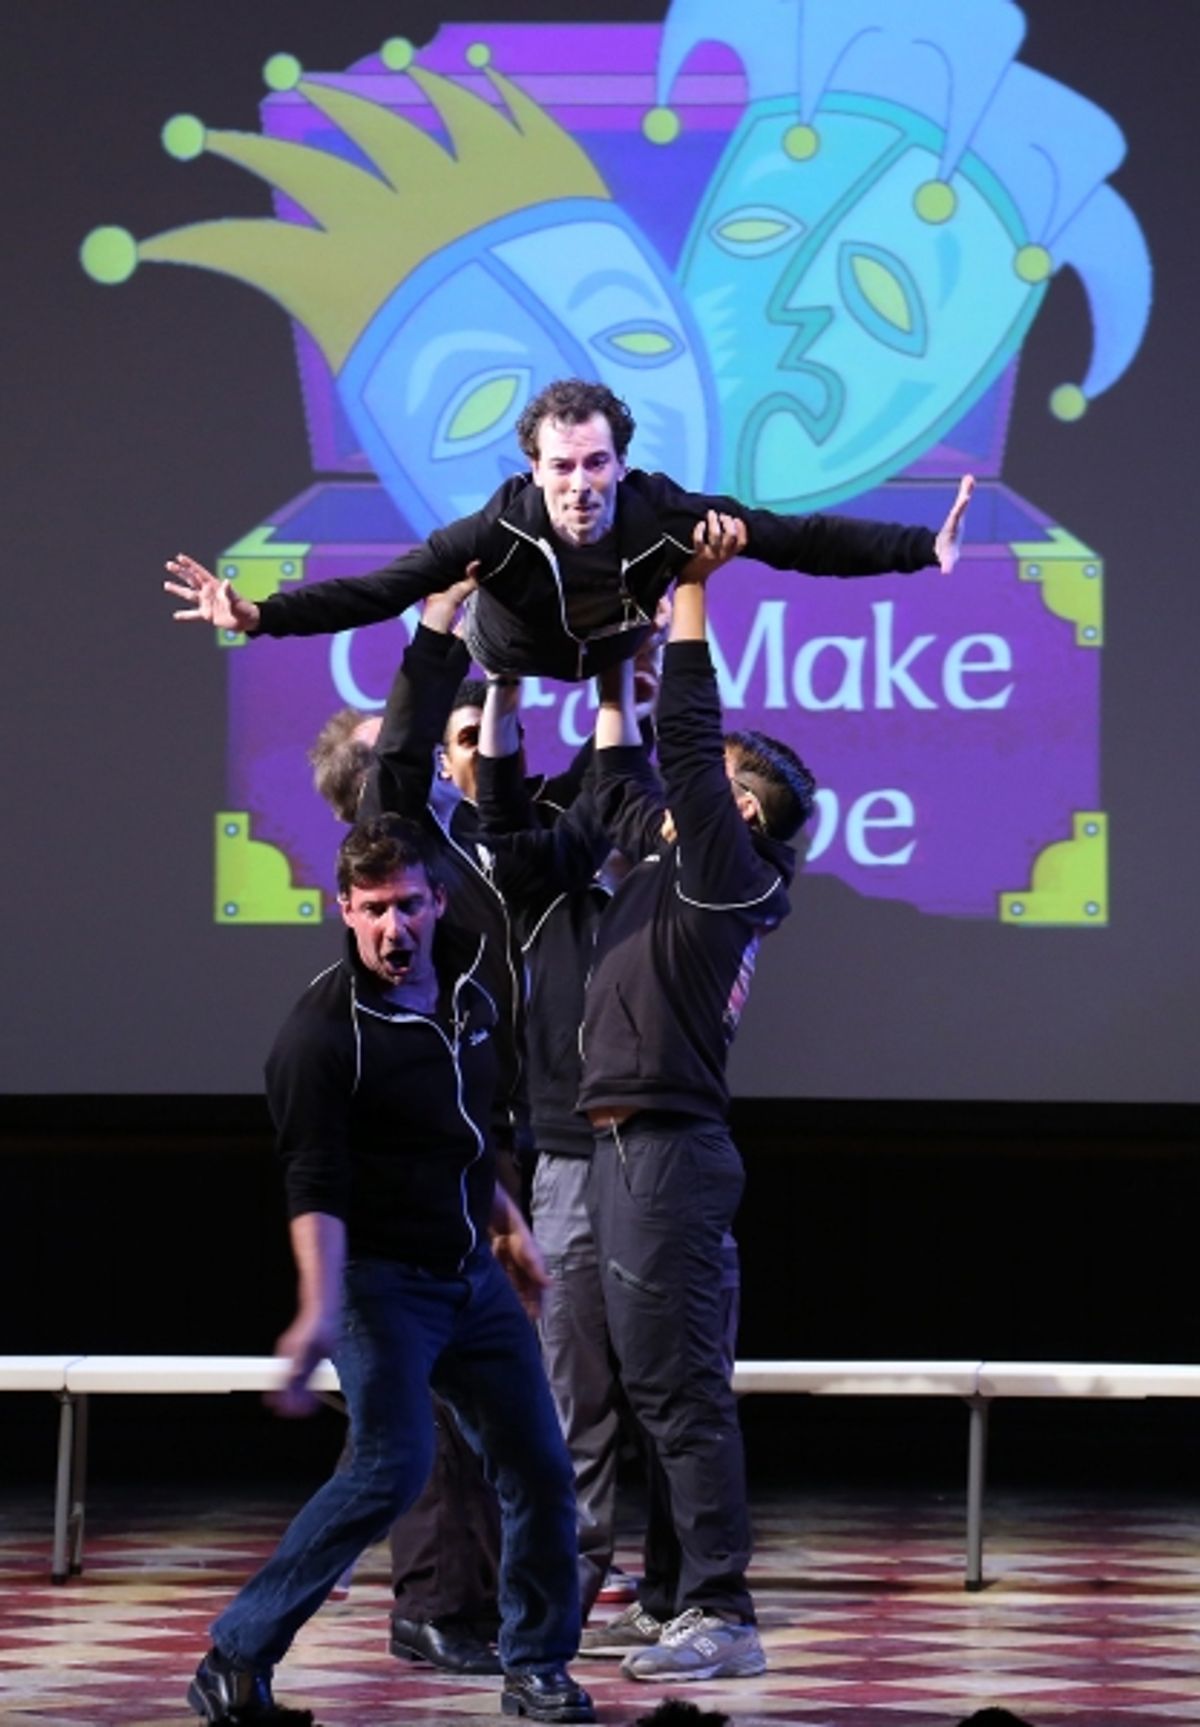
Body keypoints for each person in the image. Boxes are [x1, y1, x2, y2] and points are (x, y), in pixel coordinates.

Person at [186, 816, 593, 1726]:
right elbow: (315, 1186)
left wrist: (509, 1229)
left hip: (471, 1277)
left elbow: (465, 1135)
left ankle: (537, 1666)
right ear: (344, 909)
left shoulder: (472, 992)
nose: (391, 927)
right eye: (371, 909)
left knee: (539, 1467)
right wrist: (316, 1308)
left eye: (407, 904)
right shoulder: (321, 1036)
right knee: (393, 1463)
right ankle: (235, 1655)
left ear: (437, 900)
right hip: (379, 1284)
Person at [573, 512, 816, 1683]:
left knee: (678, 1389)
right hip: (636, 1147)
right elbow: (622, 781)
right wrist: (610, 675)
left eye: (713, 784)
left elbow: (679, 739)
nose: (689, 790)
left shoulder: (729, 869)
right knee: (654, 1383)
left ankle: (721, 1607)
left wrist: (691, 592)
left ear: (745, 812)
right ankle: (673, 1594)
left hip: (668, 1151)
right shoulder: (677, 861)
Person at [163, 377, 975, 681]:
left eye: (595, 463)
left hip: (612, 647)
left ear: (621, 463)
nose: (580, 485)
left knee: (659, 627)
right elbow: (379, 591)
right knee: (456, 627)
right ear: (533, 468)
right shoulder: (496, 531)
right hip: (509, 650)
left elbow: (798, 540)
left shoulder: (664, 511)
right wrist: (258, 615)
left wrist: (921, 547)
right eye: (561, 466)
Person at [306, 583, 507, 1678]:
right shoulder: (396, 879)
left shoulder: (446, 866)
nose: (432, 757)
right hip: (420, 1182)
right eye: (409, 753)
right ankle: (433, 1604)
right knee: (423, 1407)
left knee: (477, 1401)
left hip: (475, 1152)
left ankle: (472, 1598)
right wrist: (444, 625)